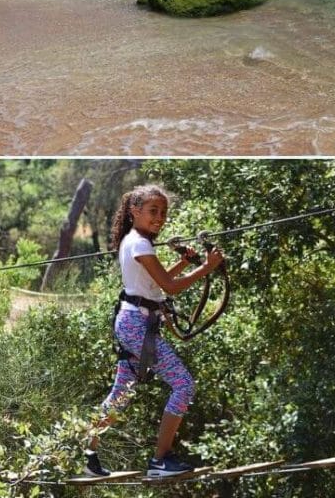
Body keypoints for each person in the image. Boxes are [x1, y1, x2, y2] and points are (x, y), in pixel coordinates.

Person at [83, 185, 224, 479]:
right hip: (137, 326)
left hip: (134, 323)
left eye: (163, 212)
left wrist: (184, 263)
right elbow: (169, 288)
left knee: (120, 395)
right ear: (135, 212)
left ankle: (86, 454)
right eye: (152, 211)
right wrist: (207, 268)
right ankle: (160, 460)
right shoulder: (141, 244)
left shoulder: (134, 241)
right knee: (183, 384)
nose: (159, 218)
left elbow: (153, 284)